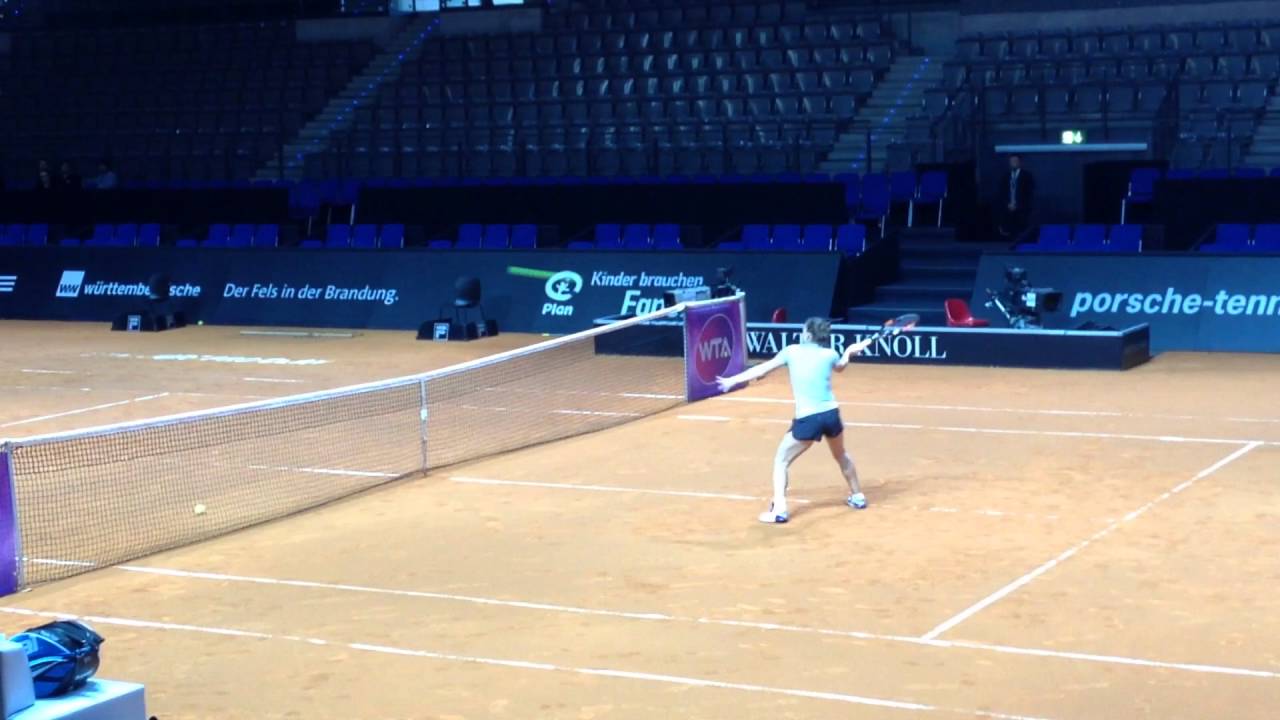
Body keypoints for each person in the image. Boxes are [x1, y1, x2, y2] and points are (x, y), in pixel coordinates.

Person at [716, 317, 871, 524]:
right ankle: (858, 496)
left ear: (808, 334)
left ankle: (779, 509)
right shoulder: (830, 354)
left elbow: (762, 369)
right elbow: (841, 366)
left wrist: (732, 381)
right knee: (841, 454)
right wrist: (850, 351)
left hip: (808, 418)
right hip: (831, 414)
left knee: (781, 460)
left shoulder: (792, 351)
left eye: (803, 330)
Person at [999, 154, 1035, 238]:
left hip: (1022, 209)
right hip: (1008, 208)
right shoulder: (1005, 177)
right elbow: (1002, 193)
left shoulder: (1027, 177)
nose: (1013, 163)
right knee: (1009, 231)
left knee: (1021, 230)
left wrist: (1018, 205)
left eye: (1015, 161)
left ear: (1020, 163)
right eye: (1011, 161)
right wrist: (1008, 204)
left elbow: (1029, 194)